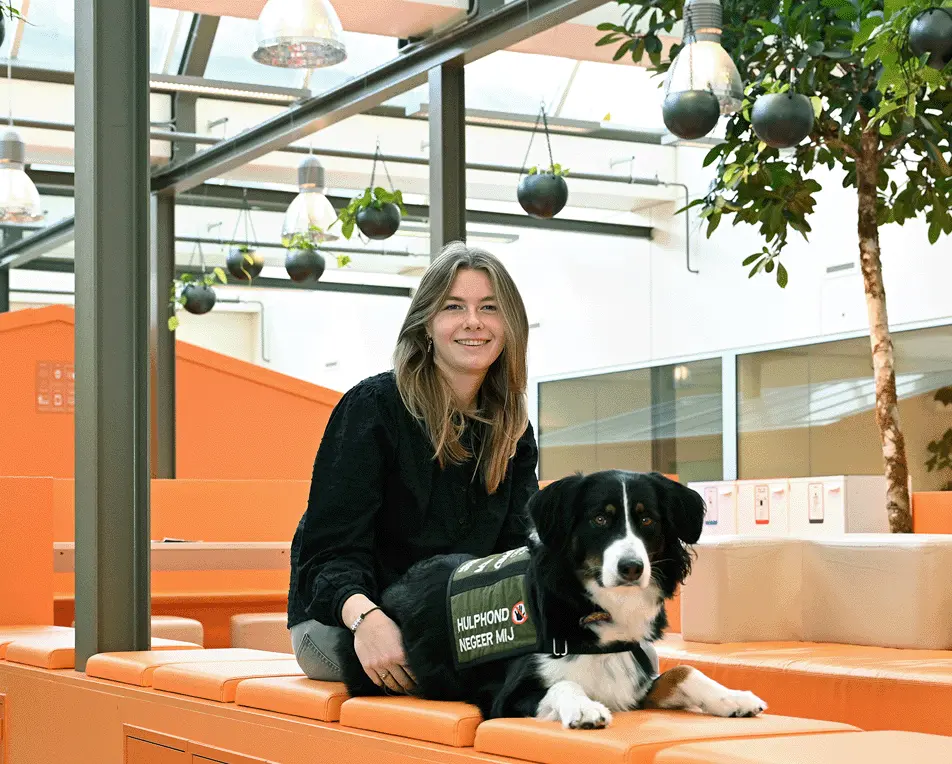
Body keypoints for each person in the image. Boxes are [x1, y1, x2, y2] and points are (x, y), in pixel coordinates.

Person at [286, 240, 540, 695]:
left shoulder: (512, 427)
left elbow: (515, 554)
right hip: (349, 624)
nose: (473, 322)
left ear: (510, 325)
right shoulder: (373, 406)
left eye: (489, 307)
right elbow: (327, 555)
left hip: (456, 623)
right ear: (425, 324)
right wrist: (366, 619)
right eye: (453, 307)